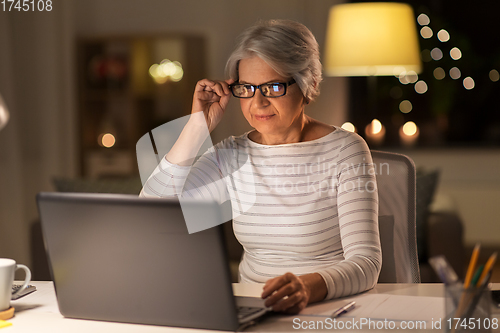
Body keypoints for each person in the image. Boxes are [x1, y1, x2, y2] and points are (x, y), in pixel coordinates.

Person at [140, 19, 381, 314]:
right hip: (252, 310)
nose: (258, 103)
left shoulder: (345, 150)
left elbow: (366, 263)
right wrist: (197, 127)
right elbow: (152, 210)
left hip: (326, 309)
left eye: (273, 86)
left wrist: (306, 287)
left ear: (309, 85)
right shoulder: (232, 154)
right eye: (247, 88)